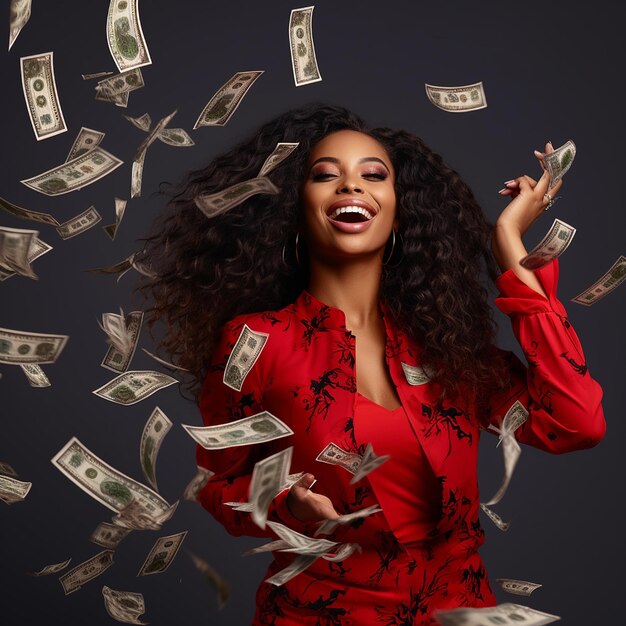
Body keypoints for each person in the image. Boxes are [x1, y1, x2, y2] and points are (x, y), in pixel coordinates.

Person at [139, 103, 605, 625]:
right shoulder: (255, 342)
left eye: (373, 175)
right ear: (294, 206)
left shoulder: (448, 346)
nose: (350, 187)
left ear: (400, 210)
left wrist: (510, 247)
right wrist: (286, 504)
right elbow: (220, 487)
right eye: (325, 175)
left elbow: (576, 423)